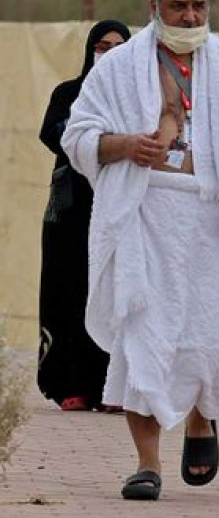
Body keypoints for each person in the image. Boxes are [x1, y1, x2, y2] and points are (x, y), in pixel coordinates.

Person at [61, 0, 219, 501]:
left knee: (215, 342)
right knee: (142, 340)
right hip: (143, 216)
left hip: (206, 218)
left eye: (198, 5)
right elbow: (77, 137)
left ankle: (201, 418)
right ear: (154, 8)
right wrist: (126, 146)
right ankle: (147, 464)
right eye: (179, 6)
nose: (190, 15)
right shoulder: (119, 67)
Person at [38, 20, 131, 412]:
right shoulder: (70, 93)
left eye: (117, 46)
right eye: (102, 45)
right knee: (68, 291)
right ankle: (69, 383)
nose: (108, 53)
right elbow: (53, 132)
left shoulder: (138, 96)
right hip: (72, 210)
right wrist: (100, 140)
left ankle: (113, 388)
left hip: (119, 207)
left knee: (114, 293)